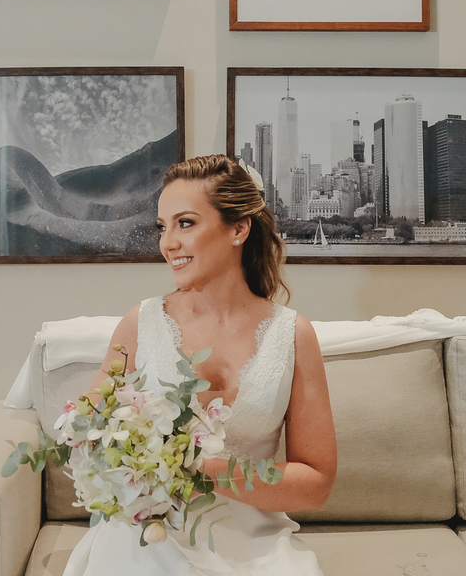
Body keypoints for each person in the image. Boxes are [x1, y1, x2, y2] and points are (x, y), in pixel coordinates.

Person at [62, 154, 336, 576]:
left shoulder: (293, 335)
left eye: (185, 223)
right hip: (149, 534)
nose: (167, 243)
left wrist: (199, 469)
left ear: (239, 229)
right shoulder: (140, 324)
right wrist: (124, 459)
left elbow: (316, 483)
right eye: (163, 226)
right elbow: (86, 434)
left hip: (255, 544)